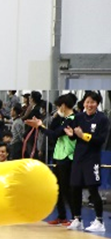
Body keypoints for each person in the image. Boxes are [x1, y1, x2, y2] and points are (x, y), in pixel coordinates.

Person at [31, 93, 78, 225]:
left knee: (67, 188)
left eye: (58, 107)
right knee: (57, 188)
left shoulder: (73, 119)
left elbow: (55, 134)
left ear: (63, 106)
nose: (57, 109)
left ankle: (75, 217)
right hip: (58, 155)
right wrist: (56, 117)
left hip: (68, 156)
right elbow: (52, 129)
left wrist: (40, 127)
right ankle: (62, 216)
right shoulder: (62, 119)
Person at [64, 91, 108, 232]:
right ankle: (77, 219)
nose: (89, 105)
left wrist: (84, 136)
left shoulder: (102, 119)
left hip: (92, 158)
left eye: (92, 102)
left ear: (97, 104)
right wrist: (71, 135)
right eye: (87, 102)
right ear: (83, 103)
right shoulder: (78, 117)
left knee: (92, 188)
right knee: (74, 188)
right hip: (79, 157)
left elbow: (100, 140)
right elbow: (74, 136)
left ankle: (99, 221)